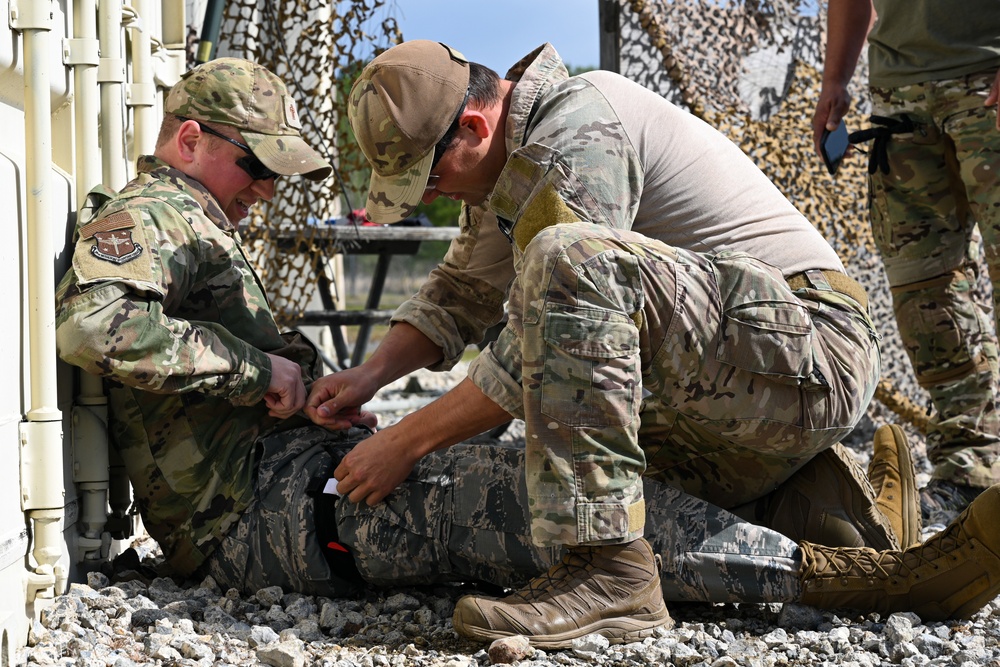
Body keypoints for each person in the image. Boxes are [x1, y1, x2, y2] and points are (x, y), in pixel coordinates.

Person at [54, 56, 1000, 650]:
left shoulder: (572, 127)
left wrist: (408, 438)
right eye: (255, 167)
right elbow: (463, 293)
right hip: (751, 371)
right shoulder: (166, 216)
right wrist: (362, 380)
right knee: (554, 475)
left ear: (473, 125)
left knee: (553, 378)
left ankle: (667, 575)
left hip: (805, 350)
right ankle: (836, 521)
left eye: (434, 178)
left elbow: (550, 329)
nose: (262, 190)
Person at [812, 0, 1000, 525]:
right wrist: (836, 80)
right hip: (899, 96)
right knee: (925, 291)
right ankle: (970, 471)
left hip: (988, 75)